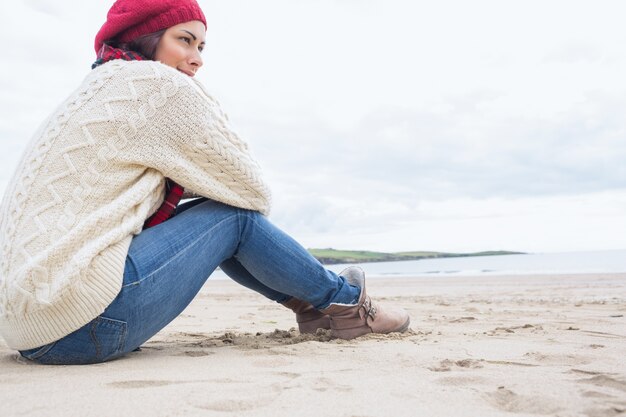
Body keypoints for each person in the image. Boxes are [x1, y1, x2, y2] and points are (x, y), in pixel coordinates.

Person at [0, 0, 409, 365]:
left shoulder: (96, 88)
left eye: (201, 47)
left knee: (212, 213)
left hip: (31, 333)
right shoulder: (156, 85)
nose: (197, 59)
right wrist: (202, 175)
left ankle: (312, 308)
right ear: (147, 38)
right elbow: (250, 190)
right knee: (231, 217)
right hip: (85, 327)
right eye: (185, 40)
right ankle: (347, 305)